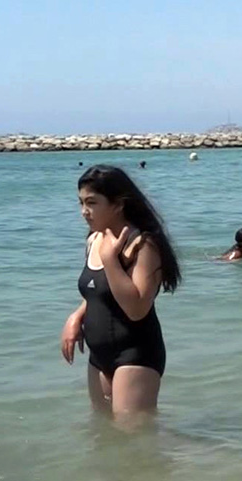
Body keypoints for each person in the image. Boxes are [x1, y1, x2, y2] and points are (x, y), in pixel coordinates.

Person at [60, 165, 181, 427]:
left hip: (135, 353)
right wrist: (76, 317)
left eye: (92, 202)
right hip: (99, 354)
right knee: (104, 433)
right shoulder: (94, 239)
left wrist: (110, 260)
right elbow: (98, 292)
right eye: (81, 202)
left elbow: (136, 307)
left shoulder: (143, 244)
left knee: (134, 438)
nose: (84, 211)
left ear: (117, 204)